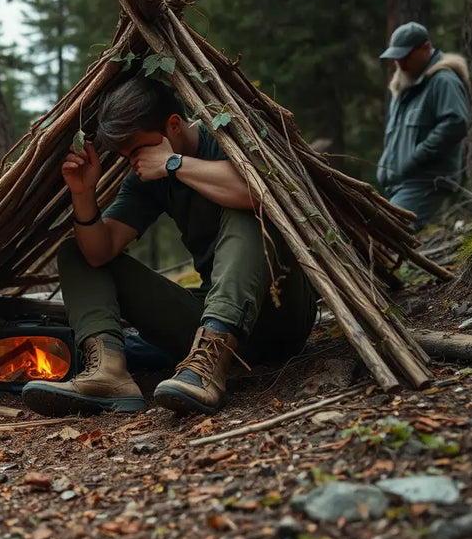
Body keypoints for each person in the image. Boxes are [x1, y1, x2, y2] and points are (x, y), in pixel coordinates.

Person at [21, 75, 318, 417]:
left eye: (138, 150)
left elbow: (260, 192)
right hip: (205, 326)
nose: (134, 162)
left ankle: (208, 368)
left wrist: (173, 164)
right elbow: (98, 253)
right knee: (75, 253)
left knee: (249, 210)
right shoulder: (147, 178)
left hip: (283, 316)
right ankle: (108, 373)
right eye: (125, 155)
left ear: (173, 125)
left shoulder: (225, 140)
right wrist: (83, 193)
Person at [377, 22, 470, 231]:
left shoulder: (443, 81)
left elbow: (455, 123)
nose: (400, 63)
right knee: (379, 234)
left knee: (388, 233)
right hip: (401, 183)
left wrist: (416, 156)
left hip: (425, 181)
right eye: (396, 57)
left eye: (406, 56)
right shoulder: (404, 87)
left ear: (425, 49)